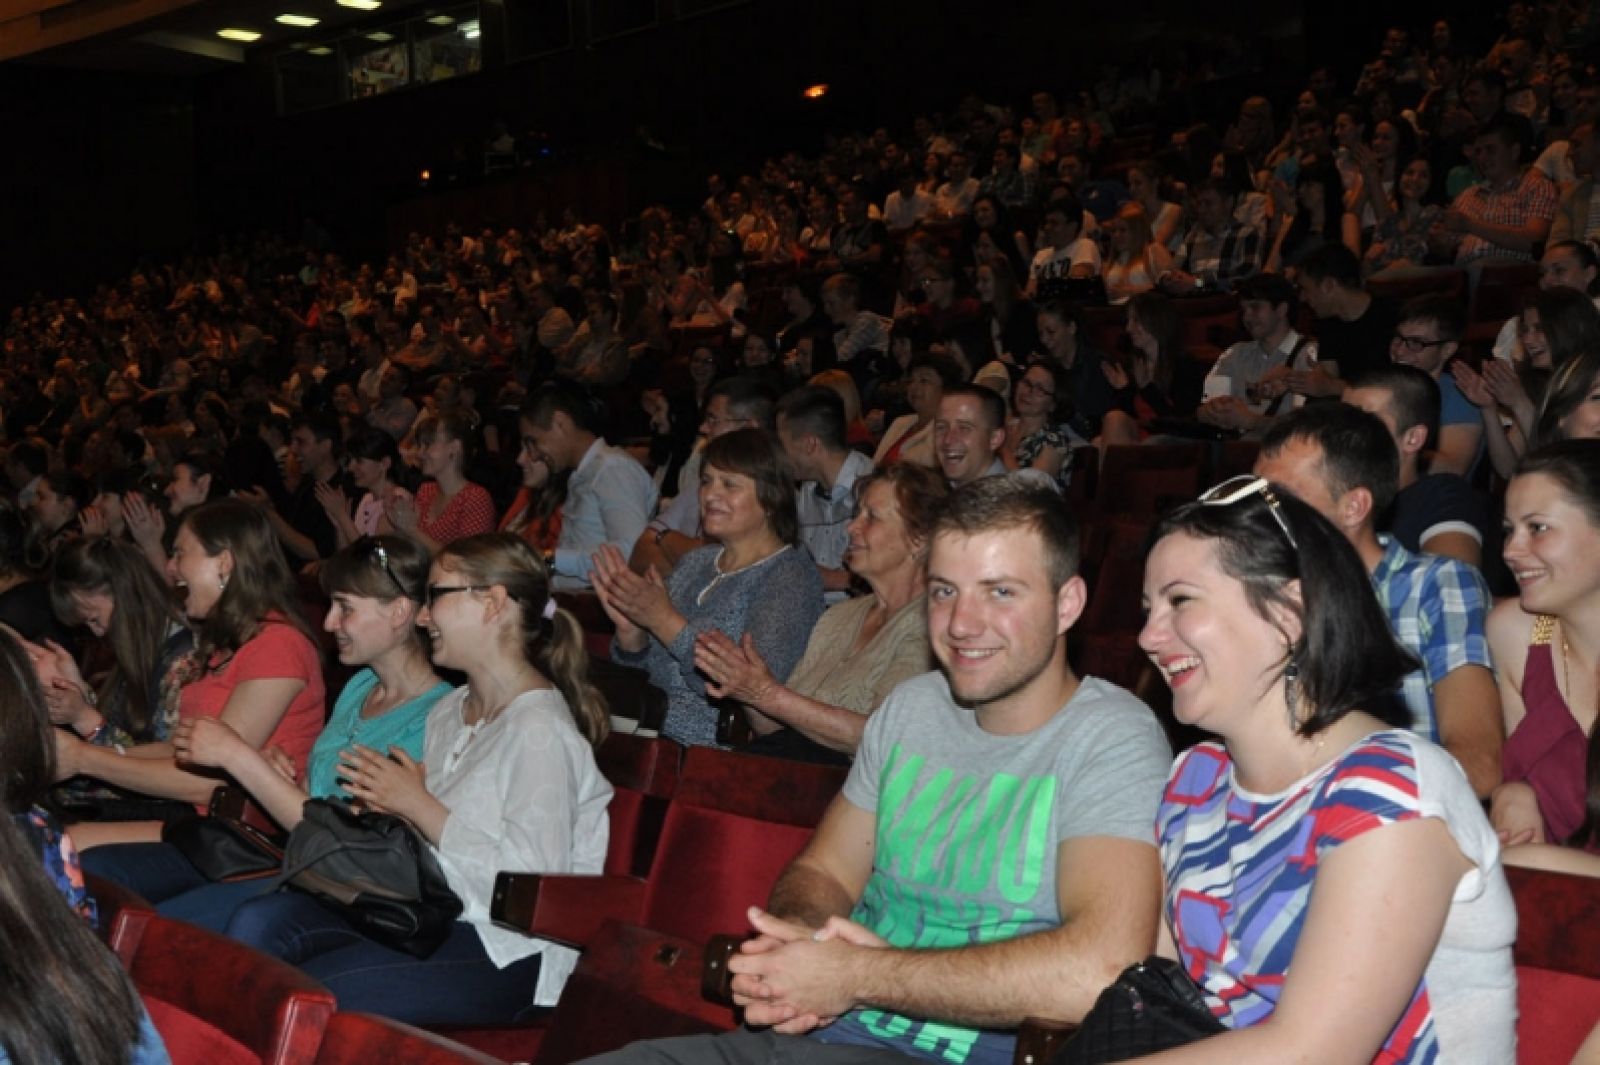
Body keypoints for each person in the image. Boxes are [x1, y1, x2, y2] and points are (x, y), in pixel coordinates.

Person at [583, 478, 1170, 1065]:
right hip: (819, 1040)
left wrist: (856, 976)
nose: (961, 623)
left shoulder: (1112, 736)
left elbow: (1099, 970)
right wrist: (798, 944)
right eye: (944, 591)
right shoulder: (913, 708)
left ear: (1067, 603)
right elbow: (824, 872)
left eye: (1000, 592)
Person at [1138, 475, 1516, 1061]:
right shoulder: (1196, 778)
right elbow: (1160, 995)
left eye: (1180, 601)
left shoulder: (1388, 788)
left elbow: (1313, 1052)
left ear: (1289, 611)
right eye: (1148, 610)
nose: (1147, 636)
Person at [222, 533, 611, 1026]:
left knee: (315, 994)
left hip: (506, 947)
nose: (424, 618)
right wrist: (387, 811)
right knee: (259, 922)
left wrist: (418, 806)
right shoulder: (451, 710)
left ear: (492, 603)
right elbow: (424, 845)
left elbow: (530, 895)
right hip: (427, 909)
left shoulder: (539, 731)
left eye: (437, 596)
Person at [78, 537, 450, 922]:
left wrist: (240, 758)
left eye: (345, 608)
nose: (328, 623)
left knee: (173, 923)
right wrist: (278, 774)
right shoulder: (361, 687)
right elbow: (312, 797)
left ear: (399, 612)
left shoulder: (435, 716)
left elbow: (349, 843)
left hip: (346, 889)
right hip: (294, 860)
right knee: (109, 877)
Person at [1256, 406, 1502, 798]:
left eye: (1282, 499)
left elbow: (1478, 762)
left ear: (1353, 507)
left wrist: (1345, 803)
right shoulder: (1266, 595)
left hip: (1397, 812)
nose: (1259, 516)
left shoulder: (1433, 585)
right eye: (1257, 497)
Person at [66, 500, 326, 854]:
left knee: (67, 846)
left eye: (180, 553)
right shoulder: (229, 644)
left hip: (246, 838)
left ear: (224, 563)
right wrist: (98, 752)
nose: (170, 567)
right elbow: (182, 750)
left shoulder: (278, 645)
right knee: (58, 834)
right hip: (202, 823)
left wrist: (83, 758)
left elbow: (209, 781)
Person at [694, 463, 946, 765]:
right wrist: (746, 686)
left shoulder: (933, 627)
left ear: (920, 539)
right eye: (857, 514)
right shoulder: (839, 617)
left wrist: (766, 693)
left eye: (872, 517)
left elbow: (885, 737)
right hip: (792, 776)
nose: (851, 527)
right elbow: (775, 729)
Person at [593, 429, 824, 748]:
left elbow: (752, 693)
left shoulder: (790, 576)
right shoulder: (697, 562)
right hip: (645, 733)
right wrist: (633, 637)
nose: (710, 494)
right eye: (706, 481)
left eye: (729, 484)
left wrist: (664, 622)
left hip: (707, 753)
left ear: (771, 497)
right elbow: (644, 675)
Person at [1490, 440, 1600, 856]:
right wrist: (1513, 791)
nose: (1510, 551)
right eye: (1509, 530)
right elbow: (1522, 768)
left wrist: (1542, 861)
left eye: (1537, 528)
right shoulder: (1516, 634)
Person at [42, 537, 193, 765]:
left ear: (123, 593)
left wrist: (83, 718)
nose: (98, 632)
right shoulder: (145, 646)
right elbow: (120, 730)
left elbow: (163, 766)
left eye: (94, 619)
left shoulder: (182, 657)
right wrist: (77, 687)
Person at [1344, 366, 1489, 568]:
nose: (1343, 433)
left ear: (1413, 438)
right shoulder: (1332, 491)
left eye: (1366, 422)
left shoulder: (1440, 496)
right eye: (1341, 420)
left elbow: (1449, 581)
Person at [633, 376, 777, 578]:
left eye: (713, 420)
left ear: (748, 428)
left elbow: (733, 565)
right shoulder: (701, 487)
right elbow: (639, 555)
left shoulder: (772, 495)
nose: (703, 428)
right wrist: (696, 571)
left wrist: (666, 539)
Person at [521, 382, 657, 591]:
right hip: (573, 599)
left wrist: (549, 559)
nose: (534, 454)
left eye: (534, 442)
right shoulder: (584, 473)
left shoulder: (612, 469)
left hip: (598, 605)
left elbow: (632, 551)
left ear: (560, 423)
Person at [776, 387, 874, 600]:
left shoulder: (873, 488)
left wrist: (833, 579)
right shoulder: (807, 493)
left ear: (810, 445)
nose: (779, 456)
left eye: (782, 446)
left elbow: (892, 574)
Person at [1197, 273, 1318, 435]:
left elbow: (1308, 428)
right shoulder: (1235, 353)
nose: (1247, 317)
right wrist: (1212, 411)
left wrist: (1251, 421)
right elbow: (1203, 410)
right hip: (1235, 445)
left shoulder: (1309, 355)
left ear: (1281, 309)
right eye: (1244, 310)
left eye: (1255, 307)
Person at [1100, 291, 1207, 445]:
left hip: (1172, 438)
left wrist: (1147, 389)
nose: (1128, 328)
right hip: (1141, 434)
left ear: (1156, 321)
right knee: (1107, 428)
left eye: (1136, 321)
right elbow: (1130, 415)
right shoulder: (1134, 363)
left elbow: (1182, 420)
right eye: (1128, 321)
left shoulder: (1183, 364)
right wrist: (1123, 389)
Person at [389, 409, 496, 553]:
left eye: (428, 445)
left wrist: (411, 530)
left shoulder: (476, 498)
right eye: (420, 446)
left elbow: (466, 560)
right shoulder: (426, 490)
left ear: (454, 448)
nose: (420, 453)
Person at [321, 426, 412, 547]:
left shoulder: (397, 500)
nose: (351, 467)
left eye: (359, 461)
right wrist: (339, 524)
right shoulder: (367, 498)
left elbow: (376, 554)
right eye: (351, 460)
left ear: (385, 463)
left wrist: (343, 517)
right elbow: (348, 552)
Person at [872, 355, 959, 470]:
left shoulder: (946, 432)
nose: (913, 386)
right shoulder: (901, 422)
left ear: (946, 390)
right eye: (911, 381)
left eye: (924, 380)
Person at [1101, 201, 1174, 304]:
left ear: (1137, 231)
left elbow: (1170, 286)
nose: (1116, 235)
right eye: (1113, 231)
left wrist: (1130, 291)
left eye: (1122, 230)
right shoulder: (1110, 262)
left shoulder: (1153, 251)